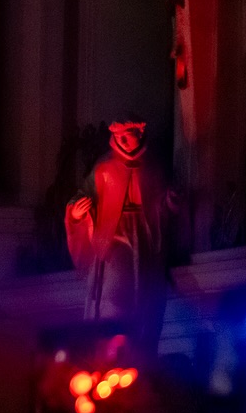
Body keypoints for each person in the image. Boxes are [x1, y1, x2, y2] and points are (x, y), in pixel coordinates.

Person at [64, 116, 175, 349]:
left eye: (128, 137)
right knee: (115, 294)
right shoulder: (104, 168)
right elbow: (83, 195)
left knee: (144, 297)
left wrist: (170, 203)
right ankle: (112, 343)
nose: (124, 142)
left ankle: (138, 345)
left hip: (144, 237)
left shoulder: (152, 169)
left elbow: (160, 205)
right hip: (114, 237)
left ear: (140, 136)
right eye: (120, 137)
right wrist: (75, 213)